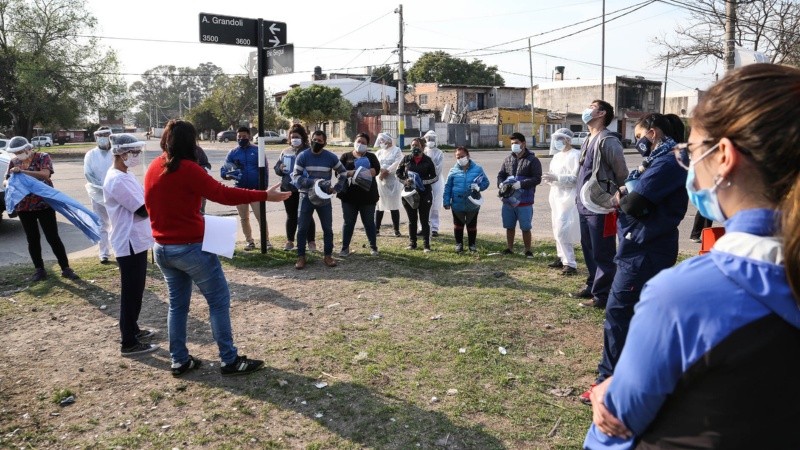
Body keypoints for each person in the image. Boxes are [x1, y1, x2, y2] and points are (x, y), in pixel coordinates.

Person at [585, 63, 800, 449]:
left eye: (692, 153)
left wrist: (609, 397)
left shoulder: (684, 296)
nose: (687, 165)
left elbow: (613, 431)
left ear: (724, 158)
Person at [144, 119, 290, 376]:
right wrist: (264, 195)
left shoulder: (154, 167)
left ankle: (179, 360)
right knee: (218, 301)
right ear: (192, 143)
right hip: (190, 249)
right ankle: (229, 360)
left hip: (162, 249)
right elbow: (223, 194)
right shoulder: (189, 169)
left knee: (177, 306)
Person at [579, 113, 688, 404]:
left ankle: (609, 383)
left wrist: (619, 198)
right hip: (641, 245)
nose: (638, 141)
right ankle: (636, 376)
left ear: (653, 133)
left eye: (640, 135)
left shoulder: (668, 162)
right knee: (636, 314)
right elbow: (630, 191)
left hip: (644, 249)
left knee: (619, 314)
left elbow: (634, 202)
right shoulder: (657, 161)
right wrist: (625, 193)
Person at [102, 134, 159, 357]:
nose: (136, 156)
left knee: (137, 290)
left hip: (136, 239)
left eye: (137, 152)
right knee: (131, 292)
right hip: (129, 241)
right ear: (121, 154)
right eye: (133, 153)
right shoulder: (117, 180)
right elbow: (142, 209)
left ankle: (133, 329)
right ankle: (128, 342)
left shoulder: (125, 174)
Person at [572, 100, 628, 308]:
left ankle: (603, 295)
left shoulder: (607, 140)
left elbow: (621, 173)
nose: (587, 109)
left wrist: (620, 195)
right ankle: (592, 285)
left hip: (602, 206)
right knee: (588, 248)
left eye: (592, 106)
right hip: (585, 204)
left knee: (602, 251)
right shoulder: (588, 138)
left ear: (602, 113)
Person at [4, 137, 79, 281]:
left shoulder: (42, 157)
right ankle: (39, 270)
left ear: (28, 148)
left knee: (53, 237)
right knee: (32, 239)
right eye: (15, 152)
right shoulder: (14, 162)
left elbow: (45, 175)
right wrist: (9, 182)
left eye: (20, 151)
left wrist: (23, 172)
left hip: (44, 205)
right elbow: (6, 179)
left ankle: (65, 268)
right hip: (24, 207)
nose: (18, 154)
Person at [291, 130, 347, 269]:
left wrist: (337, 187)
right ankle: (301, 257)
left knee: (327, 228)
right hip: (306, 196)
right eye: (314, 139)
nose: (316, 142)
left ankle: (328, 256)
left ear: (325, 143)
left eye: (320, 141)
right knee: (302, 227)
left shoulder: (330, 157)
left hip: (324, 198)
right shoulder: (303, 156)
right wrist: (313, 182)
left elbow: (343, 172)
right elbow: (295, 176)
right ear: (310, 140)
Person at [221, 126, 270, 251]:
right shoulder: (233, 153)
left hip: (256, 190)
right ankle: (249, 241)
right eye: (239, 137)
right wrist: (226, 175)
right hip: (240, 189)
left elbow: (265, 170)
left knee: (261, 217)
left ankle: (266, 241)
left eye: (244, 136)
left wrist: (264, 188)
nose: (241, 138)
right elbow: (224, 170)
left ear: (249, 136)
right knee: (244, 218)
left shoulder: (258, 150)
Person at [496, 132, 542, 258]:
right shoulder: (508, 159)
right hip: (509, 200)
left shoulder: (533, 160)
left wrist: (521, 184)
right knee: (509, 226)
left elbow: (537, 179)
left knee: (525, 227)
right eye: (512, 143)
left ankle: (528, 250)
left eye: (516, 143)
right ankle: (509, 248)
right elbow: (501, 175)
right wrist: (500, 184)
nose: (514, 145)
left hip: (525, 201)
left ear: (523, 143)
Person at [542, 128, 580, 275]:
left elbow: (576, 179)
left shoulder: (575, 155)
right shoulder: (557, 157)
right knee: (556, 227)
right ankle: (561, 257)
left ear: (568, 140)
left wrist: (558, 178)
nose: (557, 142)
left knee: (563, 229)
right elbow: (553, 174)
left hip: (568, 197)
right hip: (556, 196)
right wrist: (550, 179)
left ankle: (570, 264)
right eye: (556, 139)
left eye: (560, 139)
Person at [274, 124, 317, 252]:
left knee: (307, 215)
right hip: (288, 187)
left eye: (297, 137)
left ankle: (311, 242)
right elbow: (277, 168)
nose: (294, 139)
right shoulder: (285, 151)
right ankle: (290, 241)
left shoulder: (309, 151)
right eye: (292, 137)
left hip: (305, 188)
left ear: (303, 137)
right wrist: (280, 169)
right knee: (291, 215)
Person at [337, 132, 381, 256]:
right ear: (354, 142)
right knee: (348, 222)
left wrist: (364, 173)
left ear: (367, 145)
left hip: (367, 196)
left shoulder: (371, 157)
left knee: (368, 222)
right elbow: (339, 172)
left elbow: (375, 171)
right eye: (359, 141)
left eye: (363, 142)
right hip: (349, 196)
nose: (360, 144)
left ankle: (373, 247)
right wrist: (352, 173)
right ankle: (345, 248)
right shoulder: (346, 156)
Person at [442, 146, 489, 253]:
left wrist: (479, 187)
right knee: (458, 225)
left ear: (468, 156)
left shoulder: (478, 169)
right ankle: (459, 244)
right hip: (457, 203)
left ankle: (472, 245)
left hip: (473, 203)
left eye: (462, 156)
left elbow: (486, 182)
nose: (460, 159)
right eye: (458, 157)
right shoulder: (453, 171)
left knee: (472, 225)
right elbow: (448, 187)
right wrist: (446, 201)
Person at [397, 137, 438, 252]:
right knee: (412, 219)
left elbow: (435, 177)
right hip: (409, 193)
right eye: (412, 145)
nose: (414, 148)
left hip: (424, 194)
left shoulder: (428, 160)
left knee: (424, 220)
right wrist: (405, 181)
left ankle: (426, 245)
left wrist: (422, 182)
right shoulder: (406, 159)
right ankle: (412, 243)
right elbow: (397, 173)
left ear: (423, 147)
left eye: (417, 145)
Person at [83, 126, 114, 263]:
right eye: (100, 135)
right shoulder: (91, 155)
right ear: (96, 137)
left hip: (115, 193)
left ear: (110, 136)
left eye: (106, 134)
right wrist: (101, 188)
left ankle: (120, 251)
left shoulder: (116, 152)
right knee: (102, 224)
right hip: (97, 194)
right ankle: (104, 253)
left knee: (119, 223)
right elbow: (88, 174)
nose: (103, 137)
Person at [374, 132, 403, 237]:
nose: (381, 142)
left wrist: (387, 171)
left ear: (388, 140)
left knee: (394, 206)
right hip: (381, 181)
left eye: (382, 140)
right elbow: (375, 164)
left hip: (393, 182)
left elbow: (398, 163)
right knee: (379, 205)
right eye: (380, 140)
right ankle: (376, 229)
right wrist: (381, 172)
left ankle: (396, 229)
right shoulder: (379, 152)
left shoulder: (396, 150)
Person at [423, 130, 444, 237]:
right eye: (428, 139)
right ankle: (422, 227)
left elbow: (438, 169)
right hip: (424, 181)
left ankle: (434, 228)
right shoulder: (424, 151)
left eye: (432, 139)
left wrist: (430, 172)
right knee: (423, 205)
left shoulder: (439, 153)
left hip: (436, 182)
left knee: (435, 204)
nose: (430, 141)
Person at [195, 144, 211, 214]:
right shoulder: (175, 151)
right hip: (182, 192)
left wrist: (200, 169)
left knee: (201, 214)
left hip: (199, 188)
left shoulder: (198, 150)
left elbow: (207, 165)